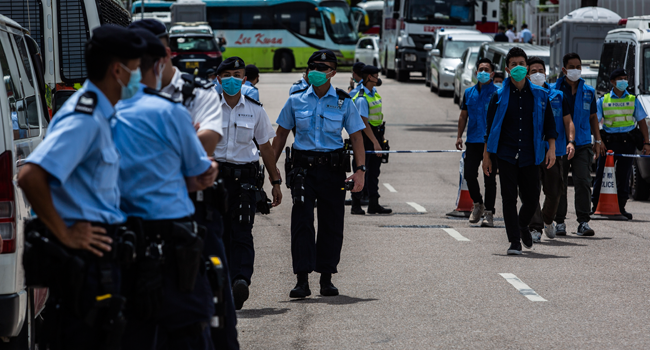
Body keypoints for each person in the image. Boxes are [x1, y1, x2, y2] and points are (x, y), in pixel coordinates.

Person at [17, 24, 146, 349]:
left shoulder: (103, 115)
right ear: (117, 70)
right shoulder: (84, 117)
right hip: (82, 266)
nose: (138, 77)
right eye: (134, 69)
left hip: (101, 261)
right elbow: (30, 175)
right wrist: (65, 233)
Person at [129, 19, 240, 350]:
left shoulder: (198, 92)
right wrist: (183, 140)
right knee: (139, 316)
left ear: (164, 52)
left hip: (195, 217)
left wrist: (152, 149)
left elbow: (207, 141)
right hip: (138, 221)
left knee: (215, 312)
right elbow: (194, 150)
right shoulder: (124, 95)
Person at [114, 27, 219, 350]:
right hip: (172, 242)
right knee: (189, 330)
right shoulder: (169, 112)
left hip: (119, 238)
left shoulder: (99, 110)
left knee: (131, 331)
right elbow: (200, 168)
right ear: (158, 64)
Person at [272, 49, 366, 298]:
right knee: (302, 222)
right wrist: (272, 172)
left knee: (331, 222)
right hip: (303, 169)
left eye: (322, 67)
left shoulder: (344, 102)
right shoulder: (296, 99)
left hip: (332, 170)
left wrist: (360, 171)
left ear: (332, 72)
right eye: (312, 67)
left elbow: (356, 137)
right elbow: (281, 134)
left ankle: (326, 278)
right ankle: (301, 279)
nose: (315, 71)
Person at [213, 57, 282, 310]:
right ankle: (218, 285)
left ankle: (240, 280)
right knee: (216, 233)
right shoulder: (206, 107)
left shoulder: (255, 109)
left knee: (242, 233)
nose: (232, 79)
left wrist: (275, 181)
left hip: (244, 181)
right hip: (213, 180)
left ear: (244, 79)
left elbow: (265, 147)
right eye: (227, 74)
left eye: (237, 74)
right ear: (218, 78)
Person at [482, 47, 557, 255]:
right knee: (508, 198)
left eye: (521, 64)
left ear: (527, 68)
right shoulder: (498, 96)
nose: (518, 68)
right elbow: (489, 130)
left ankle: (522, 225)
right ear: (507, 69)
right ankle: (514, 241)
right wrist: (486, 156)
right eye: (513, 65)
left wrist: (551, 148)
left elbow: (549, 125)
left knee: (532, 198)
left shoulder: (541, 95)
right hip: (505, 155)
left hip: (531, 153)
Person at [551, 53, 601, 236]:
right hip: (559, 144)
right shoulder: (553, 91)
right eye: (572, 67)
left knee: (583, 181)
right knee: (560, 183)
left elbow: (593, 117)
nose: (576, 70)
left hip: (582, 144)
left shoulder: (588, 91)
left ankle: (583, 222)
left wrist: (597, 140)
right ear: (564, 70)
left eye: (578, 67)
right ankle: (559, 221)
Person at [526, 56, 575, 242]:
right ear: (527, 74)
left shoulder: (557, 95)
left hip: (555, 151)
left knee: (555, 191)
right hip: (531, 151)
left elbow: (568, 121)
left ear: (546, 73)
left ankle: (547, 220)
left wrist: (571, 141)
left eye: (541, 71)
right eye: (533, 71)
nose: (538, 74)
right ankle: (535, 227)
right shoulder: (526, 95)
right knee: (531, 191)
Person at [592, 68, 650, 219]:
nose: (624, 81)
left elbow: (642, 122)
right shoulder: (603, 100)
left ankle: (621, 207)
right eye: (620, 79)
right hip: (608, 143)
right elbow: (595, 122)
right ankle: (595, 206)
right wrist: (599, 142)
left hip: (627, 142)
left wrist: (647, 143)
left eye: (625, 78)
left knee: (624, 176)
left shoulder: (632, 99)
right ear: (612, 82)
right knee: (601, 174)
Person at [455, 58, 499, 227]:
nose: (483, 72)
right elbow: (463, 115)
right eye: (481, 69)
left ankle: (489, 213)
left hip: (491, 142)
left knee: (490, 178)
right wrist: (459, 136)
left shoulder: (497, 92)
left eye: (486, 69)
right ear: (475, 73)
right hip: (473, 140)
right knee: (469, 174)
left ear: (492, 74)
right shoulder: (469, 93)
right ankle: (478, 204)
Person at [350, 65, 391, 215]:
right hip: (365, 137)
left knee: (374, 172)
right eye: (375, 75)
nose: (378, 78)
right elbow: (363, 122)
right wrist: (374, 142)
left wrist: (380, 139)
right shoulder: (361, 98)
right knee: (361, 169)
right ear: (368, 77)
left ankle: (374, 204)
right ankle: (356, 205)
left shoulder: (374, 93)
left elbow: (377, 118)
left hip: (376, 134)